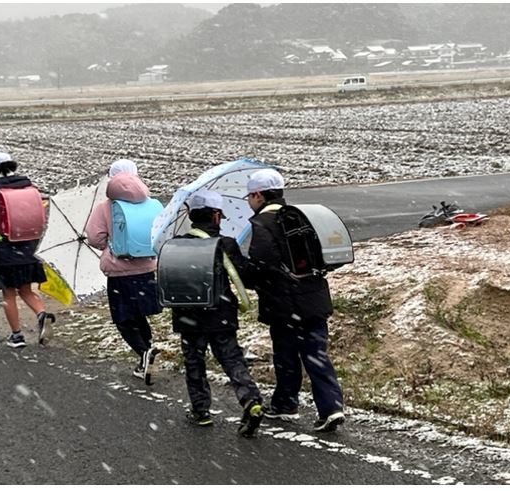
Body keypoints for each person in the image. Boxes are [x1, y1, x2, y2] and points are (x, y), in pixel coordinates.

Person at [244, 168, 345, 432]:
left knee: (286, 355)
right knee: (316, 354)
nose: (248, 202)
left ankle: (286, 403)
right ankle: (331, 407)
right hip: (315, 299)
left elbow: (262, 266)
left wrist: (242, 270)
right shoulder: (301, 217)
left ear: (257, 195)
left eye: (249, 196)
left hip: (284, 304)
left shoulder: (262, 224)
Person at [170, 190, 264, 437]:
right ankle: (250, 400)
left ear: (191, 215)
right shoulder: (226, 245)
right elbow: (245, 275)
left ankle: (201, 411)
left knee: (194, 362)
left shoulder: (178, 244)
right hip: (221, 314)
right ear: (215, 216)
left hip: (188, 318)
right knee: (232, 359)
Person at [86, 159, 162, 385]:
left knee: (123, 318)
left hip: (120, 272)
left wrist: (110, 245)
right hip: (147, 268)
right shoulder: (151, 203)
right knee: (139, 313)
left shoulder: (105, 207)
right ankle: (146, 352)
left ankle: (144, 351)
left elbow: (94, 237)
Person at [0, 152, 55, 348]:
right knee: (27, 291)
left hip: (4, 252)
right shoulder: (31, 190)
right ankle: (42, 315)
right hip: (29, 249)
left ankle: (17, 335)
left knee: (8, 294)